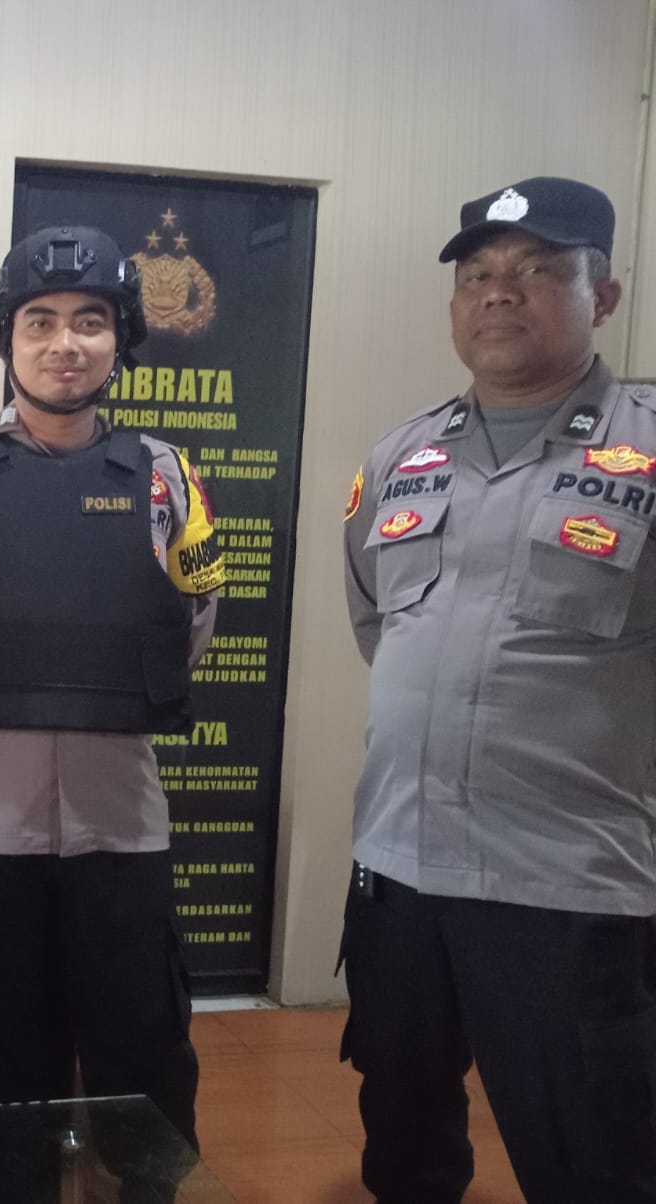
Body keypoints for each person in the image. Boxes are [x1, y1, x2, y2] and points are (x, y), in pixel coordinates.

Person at [341, 176, 656, 1203]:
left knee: (592, 1160)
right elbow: (377, 625)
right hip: (399, 870)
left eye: (535, 270)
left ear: (603, 295)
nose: (498, 293)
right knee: (404, 1148)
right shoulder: (403, 455)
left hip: (565, 884)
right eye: (476, 275)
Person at [0, 224, 224, 1146]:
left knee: (144, 1070)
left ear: (120, 340)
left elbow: (190, 618)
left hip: (120, 828)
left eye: (90, 321)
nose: (65, 343)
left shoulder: (166, 476)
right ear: (6, 337)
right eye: (40, 321)